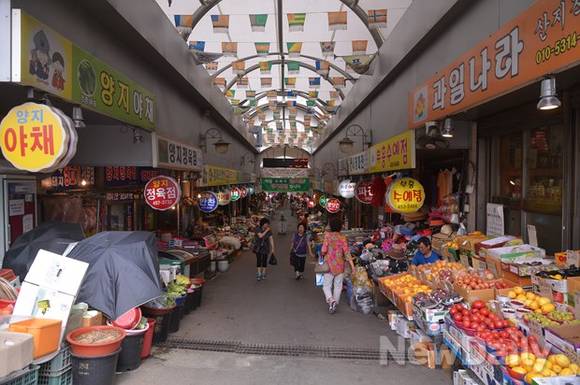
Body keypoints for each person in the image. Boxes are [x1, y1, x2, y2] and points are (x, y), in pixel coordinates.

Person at [320, 216, 355, 314]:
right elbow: (347, 253)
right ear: (340, 226)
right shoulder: (342, 237)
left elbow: (323, 250)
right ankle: (334, 304)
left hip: (329, 265)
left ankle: (331, 301)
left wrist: (324, 254)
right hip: (340, 265)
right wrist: (352, 267)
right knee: (338, 286)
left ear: (330, 226)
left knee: (326, 286)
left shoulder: (327, 236)